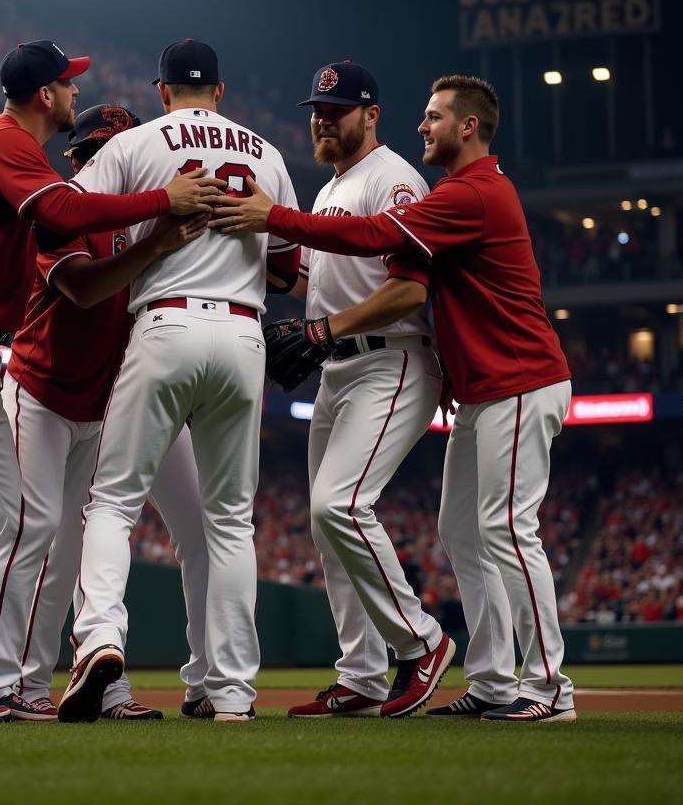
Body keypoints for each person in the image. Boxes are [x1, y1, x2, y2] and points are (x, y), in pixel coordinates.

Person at [0, 41, 223, 725]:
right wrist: (165, 198)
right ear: (43, 96)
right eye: (67, 83)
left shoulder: (20, 149)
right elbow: (62, 216)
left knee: (29, 517)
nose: (74, 91)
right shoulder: (4, 141)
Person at [213, 74, 577, 722]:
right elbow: (340, 269)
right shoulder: (369, 189)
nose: (423, 124)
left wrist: (274, 219)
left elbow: (384, 250)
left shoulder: (468, 192)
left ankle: (544, 687)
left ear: (468, 126)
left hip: (514, 376)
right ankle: (486, 682)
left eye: (434, 116)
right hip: (480, 384)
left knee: (502, 530)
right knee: (463, 531)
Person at [57, 39, 300, 723]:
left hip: (164, 323)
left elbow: (64, 213)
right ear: (220, 92)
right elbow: (286, 268)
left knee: (112, 504)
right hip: (244, 333)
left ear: (161, 92)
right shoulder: (267, 153)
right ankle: (229, 694)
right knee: (229, 522)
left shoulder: (139, 143)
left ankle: (100, 639)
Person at [0, 104, 212, 719]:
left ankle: (99, 686)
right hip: (38, 394)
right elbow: (85, 287)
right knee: (37, 539)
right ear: (74, 158)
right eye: (91, 150)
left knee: (80, 551)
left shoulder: (145, 218)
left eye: (112, 149)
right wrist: (158, 243)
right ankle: (9, 683)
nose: (98, 160)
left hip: (104, 405)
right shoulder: (63, 210)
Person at [278, 62, 454, 720]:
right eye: (318, 109)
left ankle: (422, 641)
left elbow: (409, 289)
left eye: (338, 109)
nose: (324, 119)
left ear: (371, 113)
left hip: (394, 360)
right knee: (328, 530)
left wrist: (323, 328)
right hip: (339, 369)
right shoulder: (330, 189)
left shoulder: (395, 179)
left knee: (340, 505)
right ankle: (361, 674)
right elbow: (322, 287)